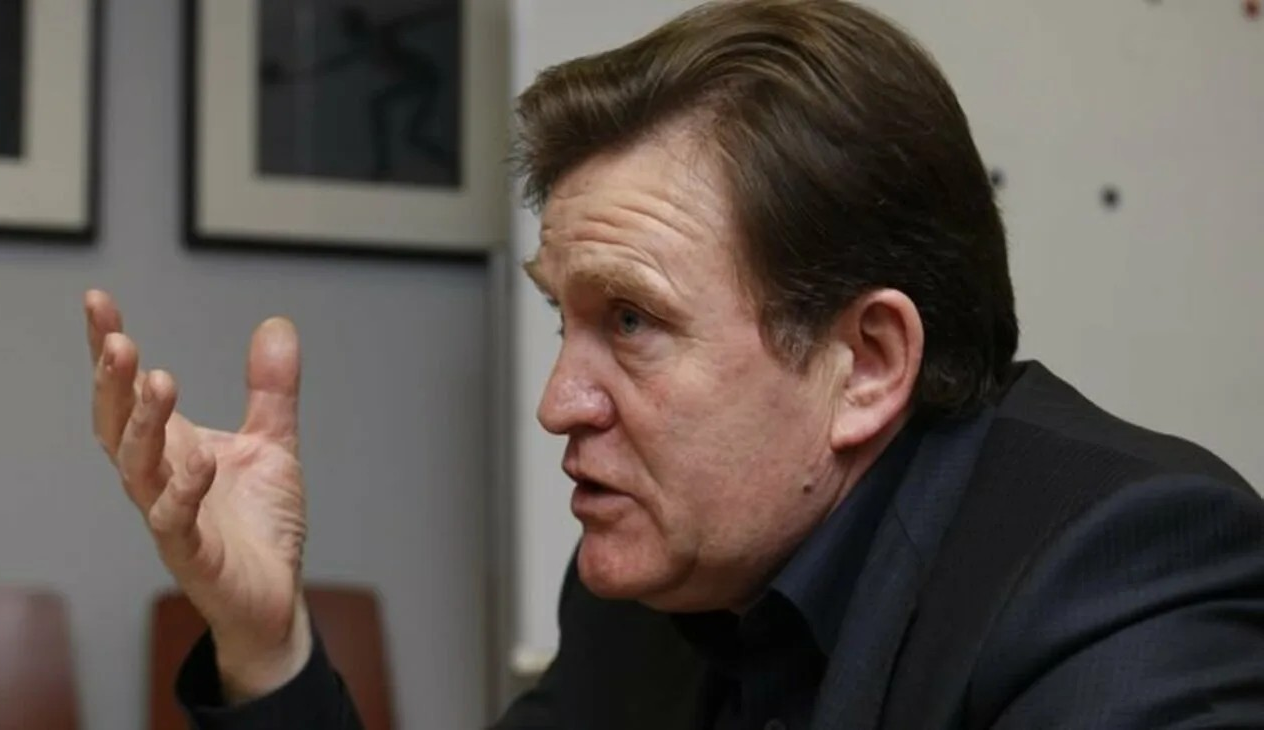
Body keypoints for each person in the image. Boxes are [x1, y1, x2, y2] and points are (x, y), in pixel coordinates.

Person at [83, 1, 1264, 728]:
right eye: (562, 319)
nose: (559, 403)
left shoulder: (1117, 577)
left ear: (865, 363)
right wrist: (263, 641)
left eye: (633, 322)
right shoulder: (649, 587)